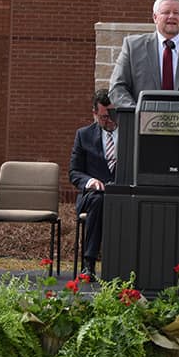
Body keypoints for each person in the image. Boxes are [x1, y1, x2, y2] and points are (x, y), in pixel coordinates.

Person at [68, 89, 118, 280]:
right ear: (95, 114)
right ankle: (89, 263)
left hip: (119, 193)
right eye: (104, 117)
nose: (110, 120)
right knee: (98, 200)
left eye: (113, 115)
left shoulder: (129, 134)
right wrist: (89, 181)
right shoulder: (84, 135)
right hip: (92, 195)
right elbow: (73, 173)